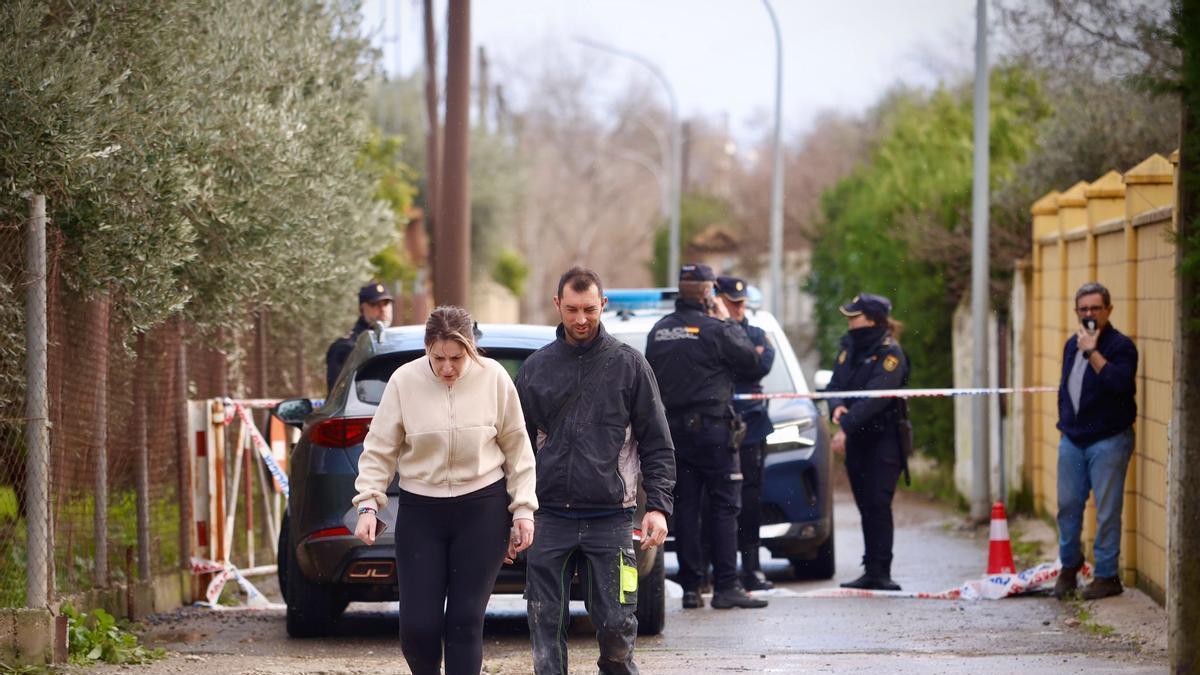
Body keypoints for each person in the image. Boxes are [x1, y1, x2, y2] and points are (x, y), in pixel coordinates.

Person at [352, 306, 538, 675]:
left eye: (457, 358)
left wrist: (522, 510)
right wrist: (368, 505)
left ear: (471, 349)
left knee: (465, 621)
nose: (447, 368)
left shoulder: (495, 378)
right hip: (422, 512)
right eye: (438, 358)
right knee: (419, 627)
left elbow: (518, 448)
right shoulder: (404, 382)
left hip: (482, 510)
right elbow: (379, 449)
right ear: (426, 349)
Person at [515, 267, 675, 675]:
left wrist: (658, 507)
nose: (581, 318)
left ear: (603, 305)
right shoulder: (535, 368)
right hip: (547, 516)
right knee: (544, 622)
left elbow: (657, 442)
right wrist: (513, 513)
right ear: (557, 306)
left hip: (612, 517)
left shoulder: (630, 366)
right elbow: (512, 448)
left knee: (617, 625)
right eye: (571, 309)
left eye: (589, 309)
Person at [645, 263, 767, 610]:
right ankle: (727, 585)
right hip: (714, 433)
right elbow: (752, 363)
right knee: (725, 507)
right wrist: (726, 318)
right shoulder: (716, 329)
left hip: (674, 435)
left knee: (686, 508)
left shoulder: (659, 331)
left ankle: (692, 588)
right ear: (708, 292)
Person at [1052, 282, 1138, 601]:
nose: (1089, 314)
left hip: (1108, 439)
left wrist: (1093, 353)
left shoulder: (1121, 346)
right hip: (1073, 438)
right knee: (1068, 507)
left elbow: (1120, 384)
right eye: (1083, 309)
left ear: (1108, 311)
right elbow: (1066, 388)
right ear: (1076, 312)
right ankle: (1069, 568)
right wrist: (1065, 424)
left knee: (1106, 509)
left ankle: (1106, 575)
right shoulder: (1070, 346)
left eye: (1095, 308)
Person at [827, 292, 909, 591]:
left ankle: (881, 570)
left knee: (878, 503)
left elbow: (876, 398)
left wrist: (845, 426)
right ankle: (870, 567)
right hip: (858, 440)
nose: (849, 322)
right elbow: (834, 385)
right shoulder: (848, 348)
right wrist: (835, 405)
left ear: (872, 320)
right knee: (865, 504)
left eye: (855, 317)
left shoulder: (890, 354)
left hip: (884, 440)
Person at [715, 275, 776, 591]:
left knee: (750, 501)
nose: (738, 308)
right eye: (731, 302)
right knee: (714, 502)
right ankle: (715, 572)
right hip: (716, 428)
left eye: (741, 303)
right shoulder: (711, 331)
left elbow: (759, 365)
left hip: (750, 428)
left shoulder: (757, 333)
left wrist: (743, 351)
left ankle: (751, 569)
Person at [325, 281, 394, 392]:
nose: (382, 309)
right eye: (375, 304)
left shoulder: (398, 341)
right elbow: (337, 395)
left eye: (386, 303)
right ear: (362, 308)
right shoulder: (346, 347)